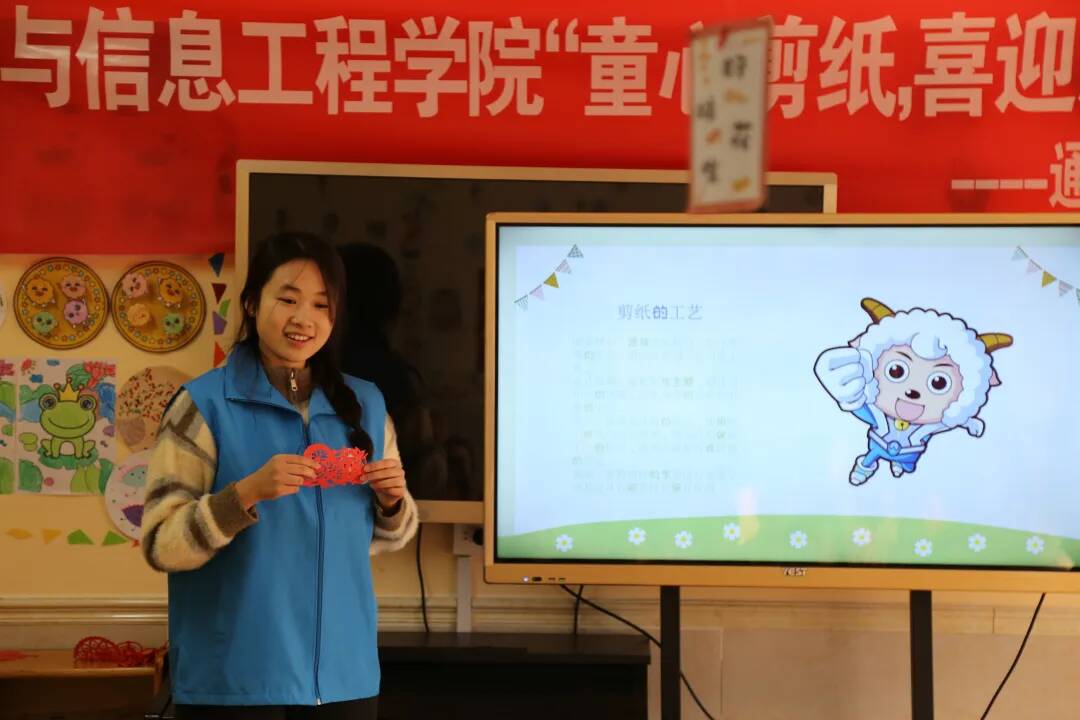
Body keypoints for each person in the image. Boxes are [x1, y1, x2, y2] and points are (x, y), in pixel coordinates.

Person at [140, 232, 417, 719]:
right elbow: (162, 544)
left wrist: (392, 504)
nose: (303, 318)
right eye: (287, 299)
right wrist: (244, 494)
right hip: (233, 681)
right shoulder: (202, 404)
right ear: (251, 303)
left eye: (321, 304)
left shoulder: (367, 405)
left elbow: (386, 536)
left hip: (344, 678)